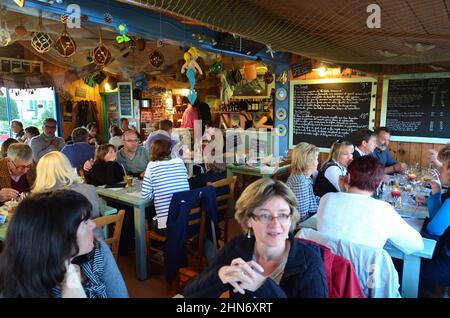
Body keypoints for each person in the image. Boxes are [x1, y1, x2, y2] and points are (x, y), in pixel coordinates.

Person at [183, 178, 328, 298]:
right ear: (248, 220)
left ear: (291, 218)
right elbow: (190, 293)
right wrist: (220, 275)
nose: (275, 224)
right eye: (265, 215)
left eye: (283, 215)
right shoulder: (236, 247)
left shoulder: (310, 262)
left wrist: (263, 287)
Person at [0, 190, 128, 298]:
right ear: (56, 237)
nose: (93, 224)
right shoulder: (16, 284)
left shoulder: (98, 252)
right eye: (84, 222)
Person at [317, 156, 423, 255]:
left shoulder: (327, 199)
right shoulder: (383, 210)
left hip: (326, 268)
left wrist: (343, 189)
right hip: (364, 272)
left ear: (347, 177)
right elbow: (417, 245)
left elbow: (348, 206)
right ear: (379, 183)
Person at [31, 151, 104, 220]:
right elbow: (102, 215)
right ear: (67, 166)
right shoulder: (90, 188)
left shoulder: (41, 200)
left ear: (41, 173)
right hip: (96, 231)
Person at [418, 145, 450, 297]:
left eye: (443, 165)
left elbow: (434, 229)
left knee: (402, 269)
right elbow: (437, 219)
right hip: (444, 251)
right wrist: (436, 190)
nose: (440, 168)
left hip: (447, 262)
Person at [142, 139, 190, 230]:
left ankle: (154, 243)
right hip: (187, 219)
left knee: (149, 218)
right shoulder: (179, 161)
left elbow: (146, 195)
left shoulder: (151, 165)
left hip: (169, 224)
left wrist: (159, 192)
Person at [286, 142, 320, 224]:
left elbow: (311, 198)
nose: (317, 162)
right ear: (309, 162)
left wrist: (327, 200)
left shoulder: (303, 177)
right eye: (316, 159)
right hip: (299, 226)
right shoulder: (300, 181)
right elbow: (301, 214)